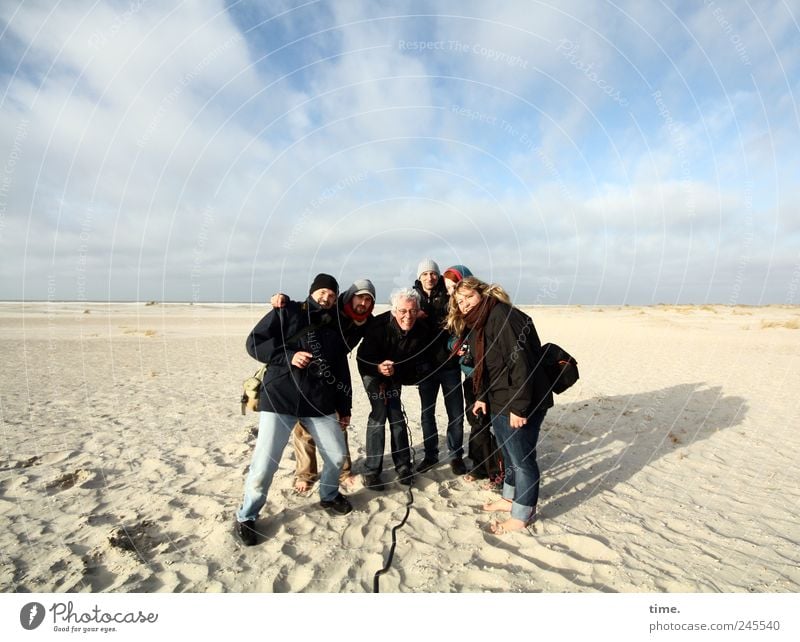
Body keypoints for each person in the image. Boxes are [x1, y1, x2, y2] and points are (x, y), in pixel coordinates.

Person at [234, 274, 353, 546]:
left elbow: (342, 371)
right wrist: (289, 356)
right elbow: (254, 343)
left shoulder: (334, 327)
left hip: (318, 402)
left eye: (332, 295)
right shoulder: (286, 311)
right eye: (323, 292)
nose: (327, 298)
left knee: (336, 456)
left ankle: (329, 494)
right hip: (280, 399)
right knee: (264, 464)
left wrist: (344, 407)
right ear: (313, 292)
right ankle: (247, 515)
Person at [447, 276, 553, 535]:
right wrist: (482, 396)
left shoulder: (504, 316)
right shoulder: (480, 323)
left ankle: (522, 513)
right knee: (508, 456)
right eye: (460, 302)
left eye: (469, 297)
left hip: (519, 401)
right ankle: (509, 498)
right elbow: (486, 364)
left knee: (522, 459)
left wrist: (520, 407)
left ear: (482, 294)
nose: (465, 304)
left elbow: (522, 364)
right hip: (498, 398)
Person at [272, 280, 376, 494]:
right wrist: (282, 299)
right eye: (360, 297)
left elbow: (384, 329)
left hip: (336, 369)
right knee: (304, 426)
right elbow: (306, 307)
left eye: (369, 299)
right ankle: (305, 473)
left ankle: (344, 472)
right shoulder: (332, 307)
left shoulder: (367, 321)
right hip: (309, 368)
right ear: (349, 297)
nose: (364, 303)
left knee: (339, 420)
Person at [356, 288, 433, 490]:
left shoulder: (421, 329)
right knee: (379, 413)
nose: (408, 316)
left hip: (395, 374)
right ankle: (372, 470)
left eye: (412, 311)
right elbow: (362, 358)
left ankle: (403, 465)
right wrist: (378, 369)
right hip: (371, 371)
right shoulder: (378, 326)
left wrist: (395, 375)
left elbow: (415, 362)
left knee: (396, 414)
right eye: (403, 311)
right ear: (394, 311)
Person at [442, 265, 504, 485]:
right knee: (477, 421)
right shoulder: (457, 310)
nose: (451, 292)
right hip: (471, 375)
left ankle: (496, 469)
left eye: (455, 286)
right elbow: (451, 338)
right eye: (448, 288)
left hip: (492, 374)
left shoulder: (490, 311)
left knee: (495, 422)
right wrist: (456, 346)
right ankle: (480, 467)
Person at [413, 259, 466, 476]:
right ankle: (430, 455)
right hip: (425, 368)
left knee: (456, 413)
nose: (429, 277)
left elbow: (458, 324)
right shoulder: (413, 298)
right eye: (425, 274)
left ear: (438, 276)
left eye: (433, 274)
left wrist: (457, 346)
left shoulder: (448, 296)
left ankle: (456, 456)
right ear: (419, 277)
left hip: (450, 365)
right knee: (428, 414)